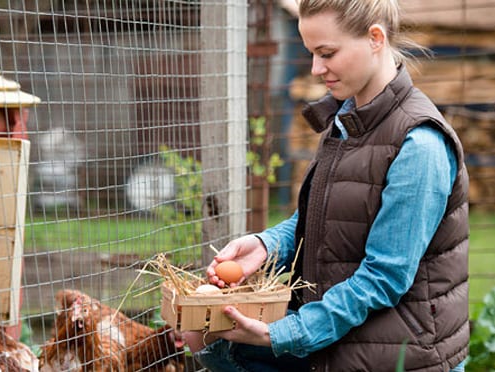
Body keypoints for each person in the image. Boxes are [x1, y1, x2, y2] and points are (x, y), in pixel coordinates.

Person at [182, 0, 470, 371]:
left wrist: (283, 333)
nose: (316, 69)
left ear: (375, 39)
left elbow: (384, 278)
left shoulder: (420, 146)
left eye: (327, 53)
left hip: (401, 354)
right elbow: (331, 218)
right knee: (206, 338)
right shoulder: (348, 119)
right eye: (311, 54)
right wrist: (267, 245)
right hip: (344, 336)